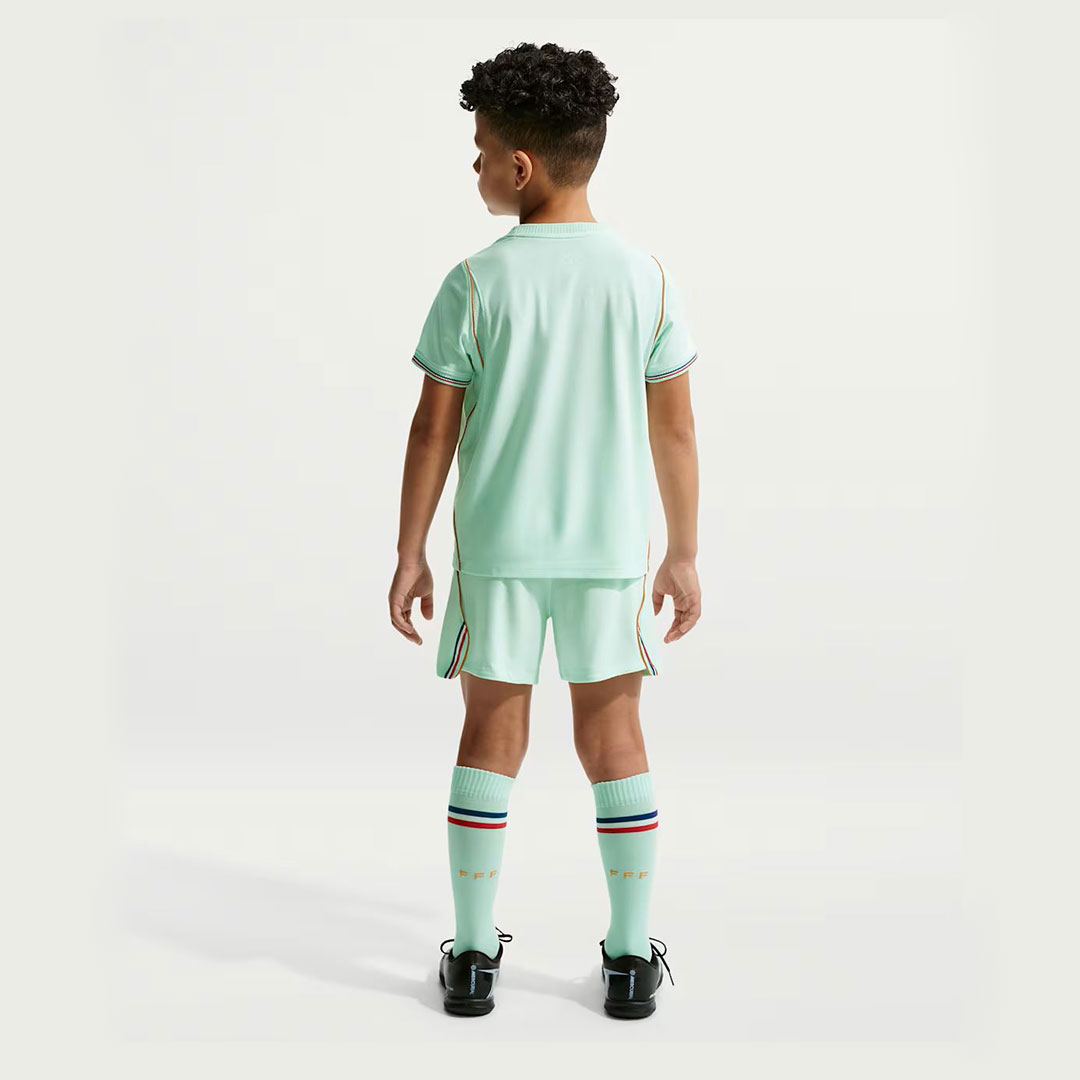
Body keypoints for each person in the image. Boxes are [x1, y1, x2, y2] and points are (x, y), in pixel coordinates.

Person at [389, 42, 700, 1019]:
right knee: (614, 740)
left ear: (519, 167)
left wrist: (410, 551)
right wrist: (683, 552)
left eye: (481, 150)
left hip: (499, 554)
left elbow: (433, 428)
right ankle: (627, 959)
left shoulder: (476, 283)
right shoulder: (646, 278)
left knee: (491, 734)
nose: (475, 164)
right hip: (609, 557)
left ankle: (475, 956)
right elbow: (675, 430)